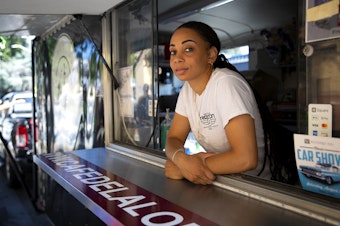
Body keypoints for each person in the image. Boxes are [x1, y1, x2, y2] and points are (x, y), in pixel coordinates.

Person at [164, 21, 271, 185]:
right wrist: (181, 159)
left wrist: (185, 169)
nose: (177, 58)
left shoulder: (226, 83)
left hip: (259, 187)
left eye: (188, 49)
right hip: (224, 181)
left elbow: (245, 159)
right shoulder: (187, 90)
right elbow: (174, 138)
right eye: (173, 51)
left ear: (211, 55)